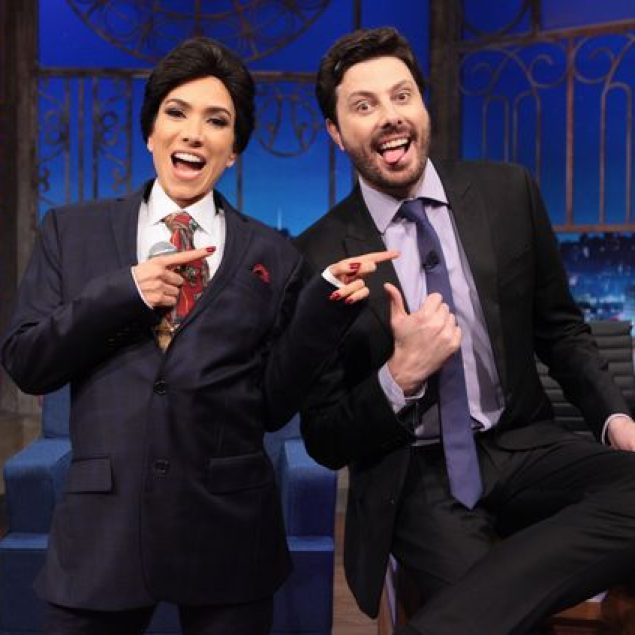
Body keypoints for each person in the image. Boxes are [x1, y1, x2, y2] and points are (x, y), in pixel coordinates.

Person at [0, 36, 396, 634]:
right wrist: (126, 293)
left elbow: (271, 403)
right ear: (150, 132)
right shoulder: (70, 231)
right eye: (176, 112)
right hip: (100, 537)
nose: (193, 133)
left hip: (229, 532)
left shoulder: (273, 254)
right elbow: (27, 360)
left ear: (232, 151)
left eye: (217, 121)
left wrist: (322, 308)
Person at [296, 26, 635, 635]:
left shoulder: (507, 192)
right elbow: (323, 437)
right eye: (364, 106)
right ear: (335, 132)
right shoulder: (316, 254)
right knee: (513, 619)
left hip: (525, 444)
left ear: (423, 107)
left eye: (402, 96)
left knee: (497, 606)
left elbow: (561, 331)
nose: (390, 116)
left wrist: (615, 420)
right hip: (416, 474)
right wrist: (398, 377)